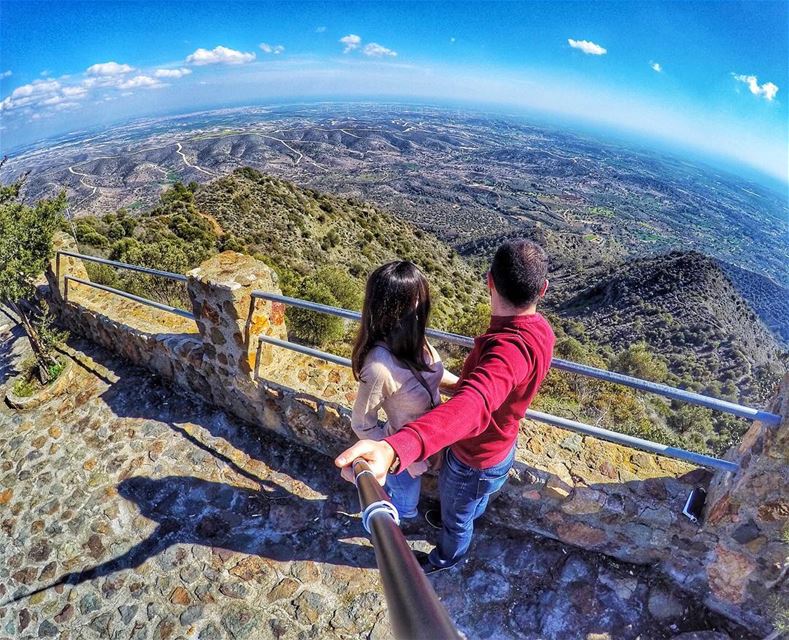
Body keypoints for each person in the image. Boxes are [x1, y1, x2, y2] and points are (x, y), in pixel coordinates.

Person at [336, 239, 555, 573]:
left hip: (474, 458)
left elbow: (474, 403)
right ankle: (452, 512)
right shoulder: (541, 331)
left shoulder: (507, 350)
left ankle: (446, 558)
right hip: (500, 446)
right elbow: (483, 391)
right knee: (467, 502)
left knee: (458, 518)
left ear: (489, 281)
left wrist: (396, 449)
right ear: (543, 289)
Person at [350, 261, 459, 523]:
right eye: (417, 300)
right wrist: (402, 457)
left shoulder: (414, 340)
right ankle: (388, 536)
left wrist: (468, 389)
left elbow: (433, 374)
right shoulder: (378, 367)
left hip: (429, 444)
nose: (423, 306)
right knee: (404, 507)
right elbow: (362, 423)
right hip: (405, 462)